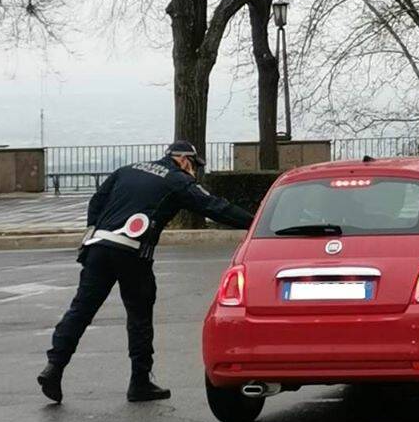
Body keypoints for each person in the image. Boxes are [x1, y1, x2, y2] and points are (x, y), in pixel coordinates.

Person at [37, 141, 255, 404]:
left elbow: (97, 201)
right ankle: (140, 382)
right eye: (195, 166)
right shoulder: (177, 180)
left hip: (98, 248)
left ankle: (54, 367)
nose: (194, 172)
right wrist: (256, 223)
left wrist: (91, 234)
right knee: (139, 316)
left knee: (81, 310)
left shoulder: (126, 170)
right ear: (184, 160)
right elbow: (214, 207)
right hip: (132, 253)